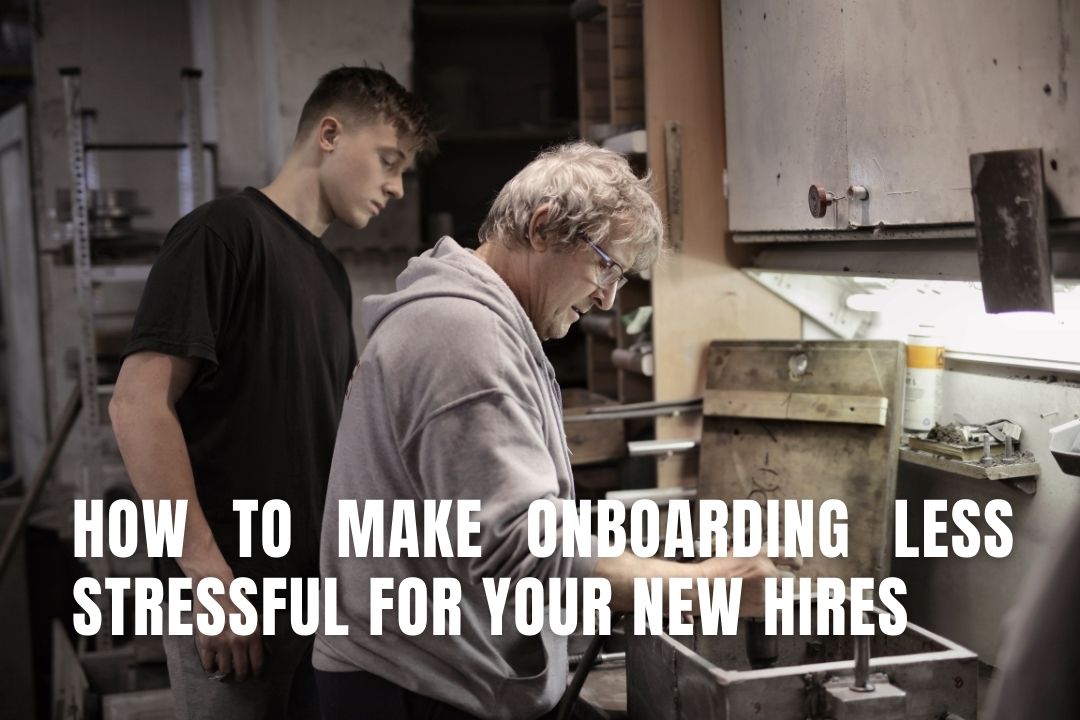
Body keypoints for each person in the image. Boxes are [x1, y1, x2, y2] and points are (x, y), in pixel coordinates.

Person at [314, 142, 778, 720]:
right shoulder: (463, 334)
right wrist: (702, 585)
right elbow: (521, 546)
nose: (608, 297)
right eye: (605, 265)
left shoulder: (474, 319)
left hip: (427, 672)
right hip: (413, 689)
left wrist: (639, 566)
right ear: (542, 228)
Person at [109, 66, 434, 719]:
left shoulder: (329, 273)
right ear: (330, 134)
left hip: (314, 605)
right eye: (388, 161)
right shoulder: (222, 234)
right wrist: (207, 578)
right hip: (232, 601)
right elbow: (137, 405)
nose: (397, 187)